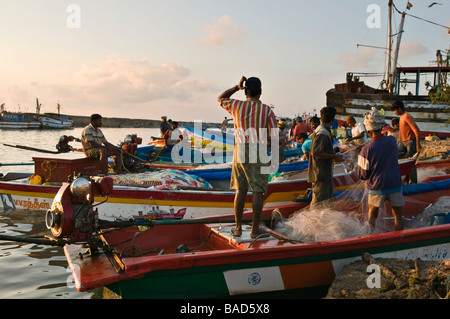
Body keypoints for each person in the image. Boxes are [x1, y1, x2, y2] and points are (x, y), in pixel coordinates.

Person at [218, 76, 278, 239]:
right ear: (260, 92)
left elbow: (221, 98)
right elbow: (274, 136)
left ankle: (237, 228)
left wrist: (237, 87)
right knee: (257, 190)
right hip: (259, 150)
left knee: (240, 189)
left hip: (240, 150)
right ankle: (254, 230)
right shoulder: (267, 110)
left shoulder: (236, 105)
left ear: (246, 91)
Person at [357, 107, 404, 232]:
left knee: (372, 216)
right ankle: (400, 238)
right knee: (397, 214)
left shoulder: (366, 149)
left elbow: (362, 174)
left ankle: (370, 238)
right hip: (395, 182)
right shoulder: (392, 140)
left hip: (377, 186)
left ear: (368, 130)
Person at [308, 106, 344, 207]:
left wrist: (335, 152)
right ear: (332, 120)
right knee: (319, 204)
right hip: (320, 174)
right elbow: (315, 152)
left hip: (324, 174)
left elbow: (322, 150)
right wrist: (334, 157)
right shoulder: (322, 133)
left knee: (326, 204)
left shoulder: (323, 130)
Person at [390, 101, 421, 183]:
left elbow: (416, 130)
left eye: (395, 110)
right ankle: (403, 179)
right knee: (397, 159)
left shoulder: (407, 116)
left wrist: (418, 144)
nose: (394, 112)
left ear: (399, 108)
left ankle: (413, 182)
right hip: (403, 142)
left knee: (410, 162)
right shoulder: (401, 117)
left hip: (410, 142)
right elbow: (403, 129)